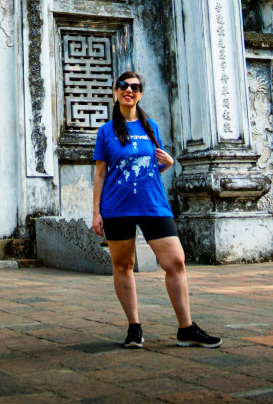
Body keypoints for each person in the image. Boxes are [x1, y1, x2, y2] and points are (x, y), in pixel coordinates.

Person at [92, 71, 222, 349]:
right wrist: (96, 212)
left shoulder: (151, 127)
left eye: (135, 87)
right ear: (116, 92)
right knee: (123, 265)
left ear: (140, 94)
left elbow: (154, 164)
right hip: (116, 207)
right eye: (124, 86)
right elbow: (101, 174)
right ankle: (134, 327)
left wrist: (170, 162)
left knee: (175, 261)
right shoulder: (105, 132)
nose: (129, 90)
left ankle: (186, 328)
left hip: (153, 203)